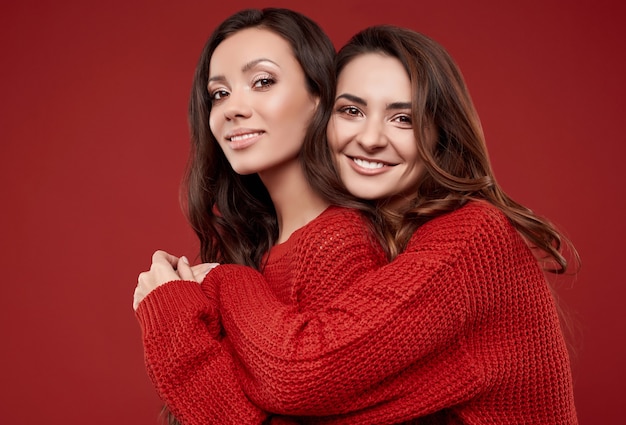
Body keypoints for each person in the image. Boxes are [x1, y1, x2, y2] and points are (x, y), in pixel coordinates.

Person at [136, 21, 579, 425]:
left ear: (438, 132)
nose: (369, 138)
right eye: (351, 110)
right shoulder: (387, 239)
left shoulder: (472, 238)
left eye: (403, 118)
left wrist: (215, 287)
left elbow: (299, 373)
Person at [133, 8, 387, 425]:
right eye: (219, 93)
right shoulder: (263, 247)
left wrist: (171, 324)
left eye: (263, 81)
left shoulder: (339, 242)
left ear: (320, 96)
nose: (232, 108)